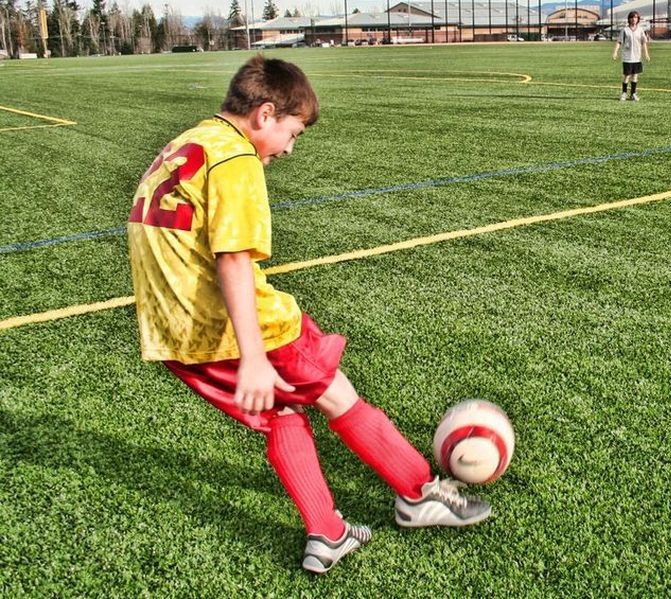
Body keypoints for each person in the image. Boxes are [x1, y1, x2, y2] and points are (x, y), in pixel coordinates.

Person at [127, 55, 491, 575]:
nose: (290, 147)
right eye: (292, 133)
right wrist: (253, 355)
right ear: (265, 113)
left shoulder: (187, 143)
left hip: (177, 334)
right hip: (242, 325)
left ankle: (328, 531)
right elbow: (231, 256)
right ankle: (418, 494)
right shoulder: (235, 160)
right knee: (337, 394)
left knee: (281, 414)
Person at [611, 11, 650, 102]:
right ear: (629, 19)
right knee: (627, 76)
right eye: (632, 17)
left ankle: (633, 93)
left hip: (637, 57)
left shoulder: (640, 30)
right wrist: (615, 52)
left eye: (635, 17)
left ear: (638, 19)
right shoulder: (625, 30)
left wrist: (646, 54)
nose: (634, 19)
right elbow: (619, 42)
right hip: (627, 57)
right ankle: (624, 93)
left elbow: (643, 42)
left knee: (635, 76)